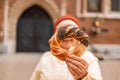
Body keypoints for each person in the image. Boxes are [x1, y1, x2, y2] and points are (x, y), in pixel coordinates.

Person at [30, 15, 103, 80]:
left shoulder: (88, 57)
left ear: (78, 36)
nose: (67, 36)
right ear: (55, 36)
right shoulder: (46, 57)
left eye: (72, 31)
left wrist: (84, 77)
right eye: (62, 31)